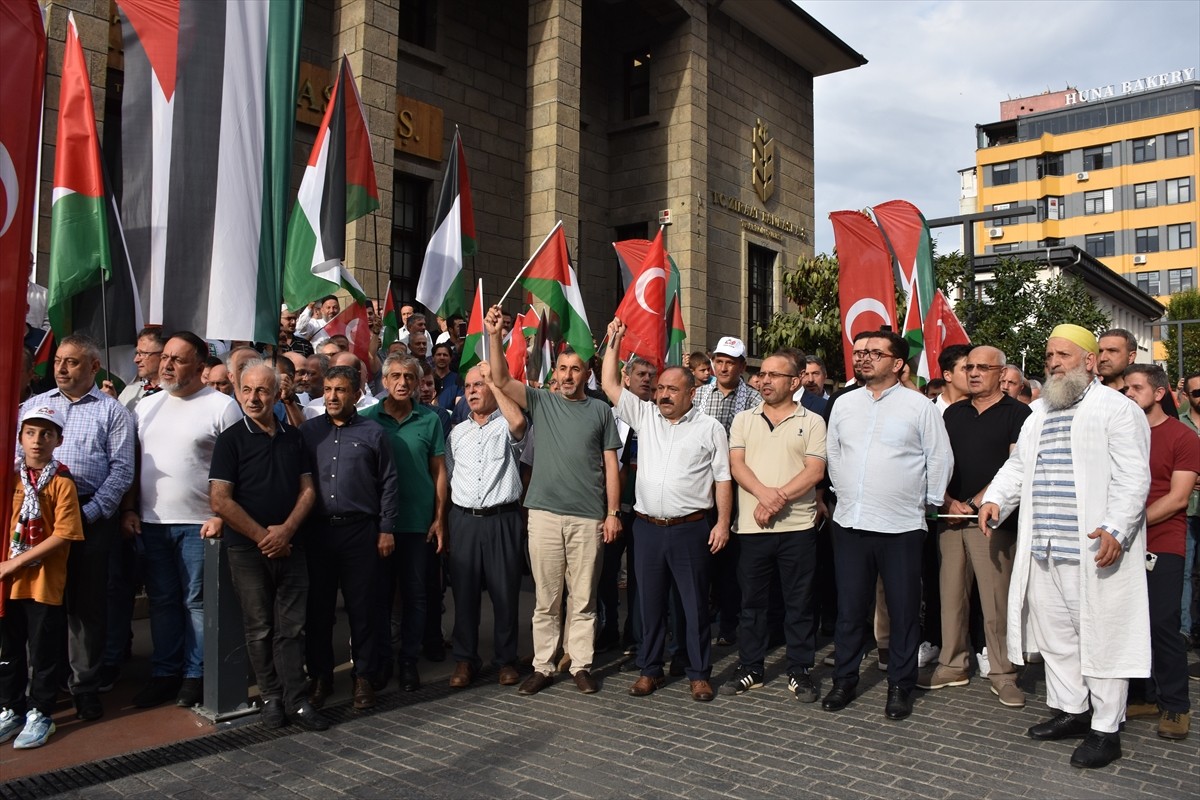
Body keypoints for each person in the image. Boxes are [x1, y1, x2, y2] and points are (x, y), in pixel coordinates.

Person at [980, 324, 1151, 769]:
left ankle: (1105, 729)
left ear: (1090, 362)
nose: (1053, 362)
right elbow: (1016, 467)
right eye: (1049, 355)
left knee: (1102, 638)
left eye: (1063, 354)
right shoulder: (1037, 413)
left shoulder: (1116, 409)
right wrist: (997, 497)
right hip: (1044, 547)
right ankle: (1073, 711)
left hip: (1094, 550)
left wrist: (1116, 527)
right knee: (1056, 639)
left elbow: (1134, 478)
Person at [484, 305, 621, 696]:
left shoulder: (601, 410)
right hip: (543, 515)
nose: (567, 375)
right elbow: (500, 378)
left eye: (575, 369)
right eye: (562, 368)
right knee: (546, 599)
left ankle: (580, 664)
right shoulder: (541, 401)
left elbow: (611, 466)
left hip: (588, 518)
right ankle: (543, 665)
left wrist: (612, 513)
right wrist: (494, 335)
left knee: (583, 598)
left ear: (587, 374)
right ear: (554, 372)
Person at [823, 330, 952, 721]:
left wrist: (925, 503)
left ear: (897, 363)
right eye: (859, 352)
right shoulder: (844, 404)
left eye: (874, 353)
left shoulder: (919, 407)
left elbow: (939, 459)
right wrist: (844, 492)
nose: (863, 358)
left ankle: (900, 685)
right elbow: (833, 452)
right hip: (851, 523)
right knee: (850, 610)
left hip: (901, 527)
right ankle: (844, 680)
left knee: (903, 610)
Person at [601, 318, 731, 702]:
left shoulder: (710, 429)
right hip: (647, 529)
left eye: (672, 389)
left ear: (692, 392)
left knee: (693, 606)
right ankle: (650, 669)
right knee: (650, 603)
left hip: (691, 529)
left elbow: (722, 478)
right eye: (659, 388)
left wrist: (723, 522)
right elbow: (610, 384)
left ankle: (698, 673)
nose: (663, 395)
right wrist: (615, 341)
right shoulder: (645, 417)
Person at [123, 331, 242, 709]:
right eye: (166, 357)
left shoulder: (221, 406)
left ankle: (195, 675)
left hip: (200, 524)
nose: (167, 364)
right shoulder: (147, 407)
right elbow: (134, 464)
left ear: (200, 366)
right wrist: (128, 508)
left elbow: (239, 467)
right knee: (162, 602)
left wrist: (224, 515)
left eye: (178, 359)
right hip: (152, 522)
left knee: (196, 603)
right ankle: (165, 673)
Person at [207, 362, 328, 731]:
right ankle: (271, 697)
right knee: (259, 626)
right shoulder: (230, 440)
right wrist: (265, 537)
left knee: (292, 628)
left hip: (292, 546)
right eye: (246, 390)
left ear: (277, 395)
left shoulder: (295, 437)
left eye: (262, 391)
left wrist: (287, 531)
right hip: (248, 550)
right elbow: (220, 501)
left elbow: (308, 490)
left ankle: (297, 699)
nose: (253, 398)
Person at [20, 334, 135, 721]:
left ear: (94, 367)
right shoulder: (34, 406)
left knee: (85, 606)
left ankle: (84, 686)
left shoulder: (112, 411)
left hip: (89, 517)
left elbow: (121, 471)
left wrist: (87, 514)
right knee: (41, 603)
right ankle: (43, 689)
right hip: (38, 518)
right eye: (58, 361)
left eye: (71, 362)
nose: (62, 368)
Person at [919, 346, 1031, 708]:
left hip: (993, 521)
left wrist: (976, 502)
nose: (975, 372)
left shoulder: (1020, 414)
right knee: (950, 595)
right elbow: (936, 461)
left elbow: (1016, 465)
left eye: (984, 367)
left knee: (995, 600)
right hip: (951, 518)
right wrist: (948, 500)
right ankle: (953, 664)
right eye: (970, 367)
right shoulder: (952, 413)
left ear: (1002, 373)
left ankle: (1002, 672)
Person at [726, 350, 827, 703]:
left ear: (795, 381)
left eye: (774, 375)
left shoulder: (812, 421)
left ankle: (799, 669)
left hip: (797, 528)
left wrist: (776, 499)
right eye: (762, 374)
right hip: (752, 529)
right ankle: (751, 666)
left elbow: (815, 471)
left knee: (799, 602)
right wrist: (763, 496)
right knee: (752, 603)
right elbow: (736, 465)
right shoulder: (743, 420)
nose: (764, 380)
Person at [301, 365, 399, 710]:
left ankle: (364, 678)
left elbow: (388, 483)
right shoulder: (308, 432)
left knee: (364, 609)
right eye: (327, 389)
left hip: (361, 532)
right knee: (319, 610)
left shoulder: (373, 433)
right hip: (318, 533)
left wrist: (386, 528)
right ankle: (321, 677)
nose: (332, 397)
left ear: (356, 394)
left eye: (340, 390)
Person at [0, 407, 85, 749]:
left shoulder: (62, 482)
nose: (38, 441)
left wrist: (15, 563)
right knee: (9, 651)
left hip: (43, 583)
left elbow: (64, 534)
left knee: (44, 652)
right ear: (20, 438)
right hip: (9, 584)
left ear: (58, 441)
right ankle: (11, 708)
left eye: (46, 434)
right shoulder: (11, 478)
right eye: (31, 433)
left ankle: (41, 712)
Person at [362, 354, 447, 693]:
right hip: (379, 524)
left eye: (408, 377)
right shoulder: (368, 419)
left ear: (417, 383)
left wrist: (440, 518)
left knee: (416, 595)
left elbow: (439, 472)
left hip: (417, 523)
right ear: (384, 382)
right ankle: (382, 659)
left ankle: (409, 660)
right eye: (394, 376)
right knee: (379, 596)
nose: (401, 382)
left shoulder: (430, 420)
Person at [1122, 364, 1197, 740]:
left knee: (1162, 624)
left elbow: (1178, 498)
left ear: (1160, 392)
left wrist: (1126, 526)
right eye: (1126, 388)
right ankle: (1142, 695)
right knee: (1127, 624)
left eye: (1136, 388)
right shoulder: (1120, 433)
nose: (1129, 394)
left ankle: (1176, 706)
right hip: (1120, 542)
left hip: (1162, 542)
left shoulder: (1183, 437)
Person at [444, 363, 527, 688]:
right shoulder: (457, 433)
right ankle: (466, 660)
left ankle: (506, 660)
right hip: (464, 520)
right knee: (463, 594)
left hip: (502, 520)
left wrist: (497, 382)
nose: (472, 391)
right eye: (468, 386)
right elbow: (451, 476)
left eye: (480, 385)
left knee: (505, 593)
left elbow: (519, 422)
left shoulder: (506, 425)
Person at [693, 336, 762, 647]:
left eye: (729, 362)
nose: (722, 367)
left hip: (738, 487)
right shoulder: (698, 395)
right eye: (718, 361)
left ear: (742, 366)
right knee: (702, 554)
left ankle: (730, 623)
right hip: (701, 484)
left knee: (732, 559)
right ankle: (702, 617)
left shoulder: (754, 399)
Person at [597, 356, 656, 655]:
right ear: (627, 378)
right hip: (613, 509)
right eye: (640, 374)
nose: (646, 379)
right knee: (605, 572)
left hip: (646, 511)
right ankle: (608, 629)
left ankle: (636, 634)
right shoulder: (608, 416)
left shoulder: (659, 417)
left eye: (651, 375)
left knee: (640, 575)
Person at [1180, 372, 1200, 651]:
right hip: (1185, 506)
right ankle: (1184, 630)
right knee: (1183, 572)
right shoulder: (1179, 423)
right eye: (1196, 392)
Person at [117, 328, 165, 410]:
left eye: (143, 353)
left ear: (163, 355)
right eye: (137, 353)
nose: (136, 360)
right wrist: (112, 404)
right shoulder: (130, 391)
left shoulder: (178, 393)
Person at [1095, 328, 1137, 392]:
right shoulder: (1090, 394)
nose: (1102, 358)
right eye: (1100, 351)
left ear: (1131, 357)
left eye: (1112, 351)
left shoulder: (1142, 396)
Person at [934, 343, 972, 412]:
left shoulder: (985, 410)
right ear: (947, 376)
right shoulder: (929, 409)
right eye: (966, 369)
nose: (973, 374)